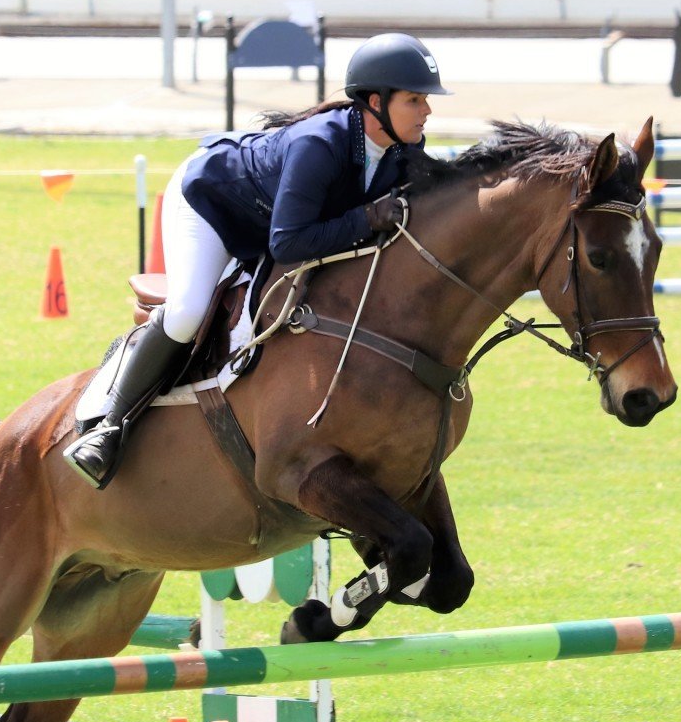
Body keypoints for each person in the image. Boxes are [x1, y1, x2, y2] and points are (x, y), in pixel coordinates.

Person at [64, 32, 452, 487]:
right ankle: (109, 424)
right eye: (415, 99)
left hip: (271, 223)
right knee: (189, 311)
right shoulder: (319, 145)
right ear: (374, 102)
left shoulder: (403, 149)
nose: (427, 110)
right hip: (210, 205)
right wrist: (366, 217)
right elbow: (288, 243)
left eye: (425, 99)